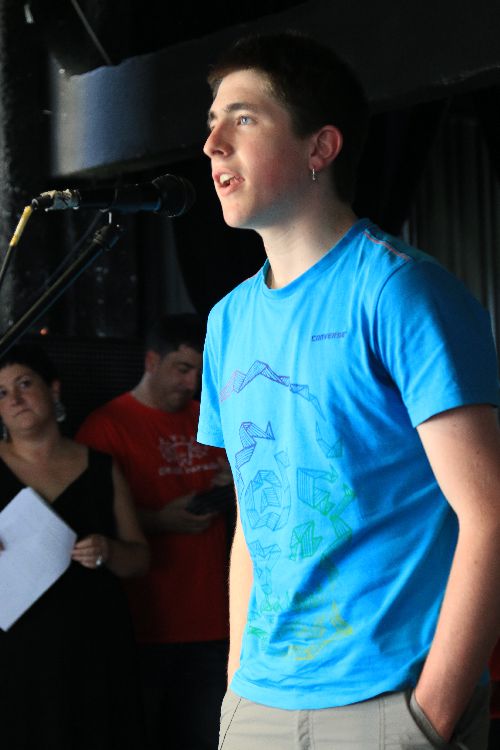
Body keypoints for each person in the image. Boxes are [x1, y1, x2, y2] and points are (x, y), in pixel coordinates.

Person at [197, 31, 500, 750]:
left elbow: (490, 514)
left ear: (321, 147)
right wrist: (237, 679)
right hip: (257, 704)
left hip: (388, 702)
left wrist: (429, 717)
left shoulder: (398, 291)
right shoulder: (226, 322)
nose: (212, 145)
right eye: (210, 123)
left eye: (243, 118)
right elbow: (252, 522)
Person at [77, 313, 232, 750]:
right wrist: (160, 519)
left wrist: (232, 486)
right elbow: (87, 524)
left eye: (199, 372)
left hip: (214, 620)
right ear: (151, 361)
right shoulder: (106, 426)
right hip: (145, 623)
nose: (191, 383)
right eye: (182, 369)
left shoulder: (210, 417)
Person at [0, 341, 149, 750]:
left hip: (94, 645)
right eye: (2, 392)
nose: (14, 399)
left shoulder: (100, 465)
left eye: (24, 383)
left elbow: (140, 559)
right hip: (14, 651)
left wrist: (108, 550)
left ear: (53, 389)